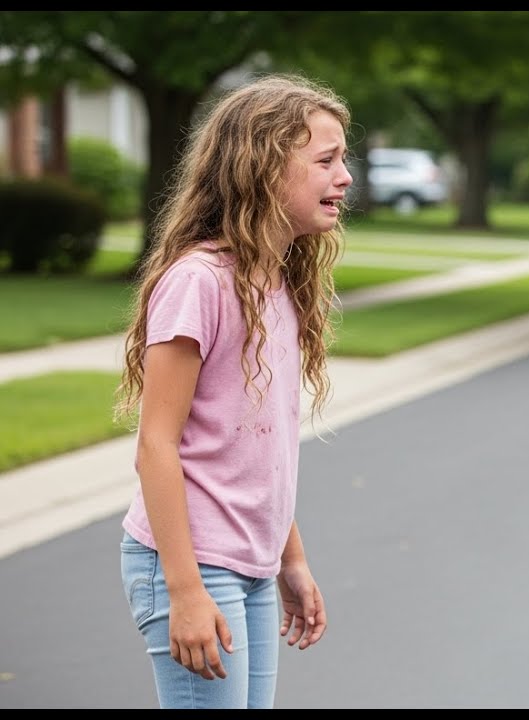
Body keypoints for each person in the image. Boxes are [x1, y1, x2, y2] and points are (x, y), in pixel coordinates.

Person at [112, 73, 353, 709]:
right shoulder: (201, 283)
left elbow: (257, 457)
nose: (345, 177)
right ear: (263, 168)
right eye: (325, 161)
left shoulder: (276, 284)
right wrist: (184, 591)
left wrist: (289, 561)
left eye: (343, 159)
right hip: (191, 566)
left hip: (247, 565)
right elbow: (156, 447)